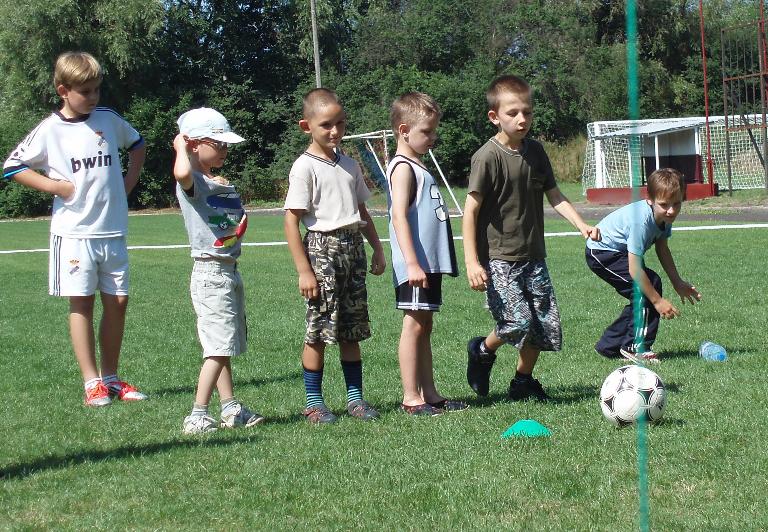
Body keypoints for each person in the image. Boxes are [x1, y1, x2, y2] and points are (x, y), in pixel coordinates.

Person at [2, 51, 147, 407]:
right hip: (74, 234)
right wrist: (55, 186)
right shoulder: (50, 129)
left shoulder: (107, 119)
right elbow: (12, 167)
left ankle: (111, 378)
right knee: (82, 303)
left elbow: (137, 144)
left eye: (97, 89)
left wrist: (128, 182)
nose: (93, 97)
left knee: (119, 301)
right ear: (63, 90)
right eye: (85, 91)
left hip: (112, 230)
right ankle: (91, 382)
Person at [463, 74, 600, 401]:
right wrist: (471, 262)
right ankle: (482, 350)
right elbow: (470, 211)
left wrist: (581, 225)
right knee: (516, 322)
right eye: (512, 113)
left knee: (542, 324)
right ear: (494, 116)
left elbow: (555, 195)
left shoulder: (535, 152)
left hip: (534, 256)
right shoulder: (487, 156)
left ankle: (522, 381)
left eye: (527, 112)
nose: (521, 119)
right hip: (499, 258)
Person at [284, 88, 386, 424]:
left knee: (351, 328)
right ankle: (314, 403)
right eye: (326, 124)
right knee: (319, 328)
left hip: (352, 248)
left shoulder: (349, 165)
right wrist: (304, 270)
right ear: (307, 126)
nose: (335, 131)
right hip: (322, 251)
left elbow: (362, 211)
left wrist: (377, 247)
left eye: (340, 123)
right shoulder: (304, 167)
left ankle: (355, 399)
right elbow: (291, 221)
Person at [173, 107, 265, 434]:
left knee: (223, 343)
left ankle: (230, 408)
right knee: (217, 346)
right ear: (193, 143)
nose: (225, 149)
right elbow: (182, 174)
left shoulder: (211, 181)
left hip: (228, 270)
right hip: (211, 273)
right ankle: (197, 414)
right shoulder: (191, 181)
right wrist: (180, 147)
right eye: (218, 143)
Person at [386, 92, 467, 416]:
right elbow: (398, 216)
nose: (433, 137)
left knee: (425, 324)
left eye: (434, 131)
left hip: (427, 263)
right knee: (414, 325)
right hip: (416, 265)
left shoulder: (418, 165)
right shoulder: (403, 168)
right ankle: (411, 396)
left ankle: (429, 393)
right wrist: (412, 263)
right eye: (427, 131)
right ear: (404, 130)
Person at [586, 167, 701, 363]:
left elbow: (662, 249)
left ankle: (609, 345)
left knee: (645, 290)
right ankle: (636, 346)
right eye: (664, 204)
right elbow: (634, 269)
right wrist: (658, 302)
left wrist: (677, 282)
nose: (671, 210)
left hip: (617, 253)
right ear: (650, 200)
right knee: (648, 286)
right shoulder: (641, 221)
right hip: (602, 252)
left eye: (677, 204)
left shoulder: (664, 216)